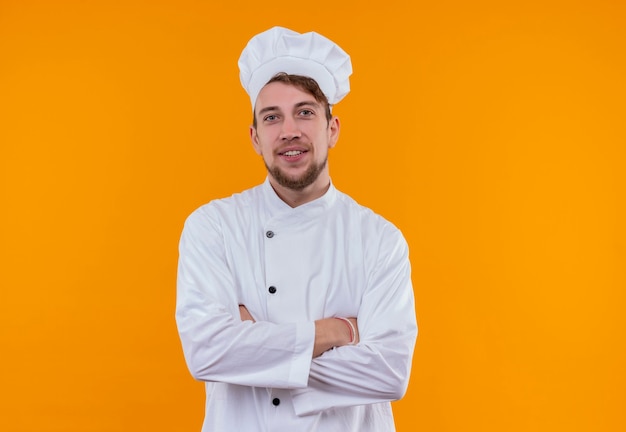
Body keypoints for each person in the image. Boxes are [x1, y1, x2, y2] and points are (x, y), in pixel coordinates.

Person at [175, 26, 417, 431]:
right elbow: (207, 352)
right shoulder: (212, 227)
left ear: (332, 128)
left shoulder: (380, 240)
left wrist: (256, 348)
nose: (289, 130)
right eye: (272, 117)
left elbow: (389, 372)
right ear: (255, 138)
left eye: (305, 112)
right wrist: (337, 332)